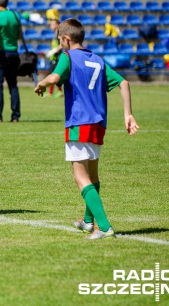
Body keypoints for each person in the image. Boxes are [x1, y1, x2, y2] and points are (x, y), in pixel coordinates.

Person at [34, 18, 139, 240]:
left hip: (78, 122)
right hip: (98, 124)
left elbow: (54, 77)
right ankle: (89, 221)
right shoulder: (98, 60)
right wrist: (128, 114)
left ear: (66, 39)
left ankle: (105, 226)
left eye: (59, 41)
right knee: (93, 175)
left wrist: (42, 84)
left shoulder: (68, 57)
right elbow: (124, 83)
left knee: (80, 177)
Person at [44, 16, 63, 97]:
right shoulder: (55, 34)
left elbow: (61, 45)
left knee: (53, 74)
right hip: (54, 57)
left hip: (58, 57)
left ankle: (58, 92)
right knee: (52, 74)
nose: (51, 26)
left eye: (53, 24)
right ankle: (52, 92)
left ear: (57, 25)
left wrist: (53, 51)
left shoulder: (59, 34)